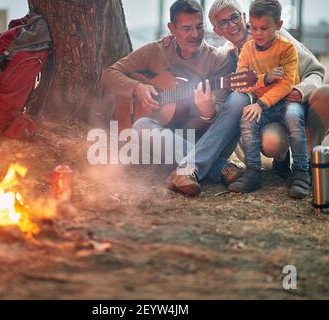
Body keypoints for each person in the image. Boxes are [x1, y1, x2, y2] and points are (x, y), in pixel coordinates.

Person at [102, 0, 249, 196]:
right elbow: (109, 74)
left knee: (239, 99)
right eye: (187, 29)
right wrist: (137, 88)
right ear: (172, 28)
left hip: (204, 138)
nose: (195, 35)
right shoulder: (156, 50)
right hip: (170, 137)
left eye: (199, 27)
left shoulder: (218, 61)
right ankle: (220, 168)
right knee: (140, 126)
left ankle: (191, 166)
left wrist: (208, 113)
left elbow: (222, 122)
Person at [209, 0, 329, 179]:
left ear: (243, 17)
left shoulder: (275, 35)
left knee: (326, 93)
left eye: (234, 17)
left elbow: (315, 71)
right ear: (217, 30)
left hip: (295, 103)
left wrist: (299, 90)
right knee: (271, 142)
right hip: (267, 113)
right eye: (223, 22)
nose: (232, 25)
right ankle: (280, 158)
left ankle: (309, 163)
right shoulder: (227, 56)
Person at [226, 0, 309, 198]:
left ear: (278, 26)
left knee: (294, 118)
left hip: (287, 102)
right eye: (253, 28)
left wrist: (261, 103)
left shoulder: (287, 49)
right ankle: (253, 172)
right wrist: (265, 78)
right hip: (263, 105)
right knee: (247, 118)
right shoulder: (247, 49)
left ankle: (301, 172)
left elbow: (287, 84)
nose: (258, 33)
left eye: (264, 28)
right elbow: (240, 82)